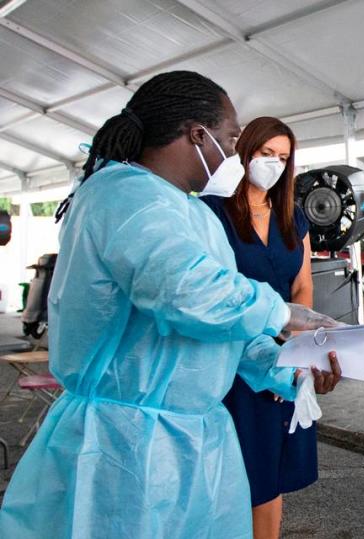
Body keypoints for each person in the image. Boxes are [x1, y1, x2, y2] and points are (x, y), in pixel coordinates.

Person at [0, 71, 341, 538]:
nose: (233, 152)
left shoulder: (189, 210)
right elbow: (187, 293)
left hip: (186, 437)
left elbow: (217, 327)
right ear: (196, 135)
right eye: (230, 138)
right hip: (127, 443)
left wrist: (289, 367)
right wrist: (281, 312)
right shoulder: (126, 196)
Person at [201, 116, 317, 539]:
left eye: (283, 158)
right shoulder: (212, 212)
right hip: (232, 363)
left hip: (285, 358)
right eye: (266, 154)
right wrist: (261, 355)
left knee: (272, 472)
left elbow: (302, 285)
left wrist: (292, 347)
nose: (273, 164)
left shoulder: (293, 217)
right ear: (244, 152)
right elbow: (212, 293)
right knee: (235, 473)